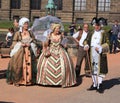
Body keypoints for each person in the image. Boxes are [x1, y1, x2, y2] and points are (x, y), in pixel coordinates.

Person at [37, 23, 76, 87]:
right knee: (45, 65)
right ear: (54, 29)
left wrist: (64, 42)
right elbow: (46, 44)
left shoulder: (61, 35)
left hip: (60, 50)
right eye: (57, 29)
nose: (58, 30)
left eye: (59, 29)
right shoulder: (49, 35)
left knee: (65, 64)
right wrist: (45, 47)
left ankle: (63, 81)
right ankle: (46, 81)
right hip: (51, 51)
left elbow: (65, 44)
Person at [6, 17, 38, 86]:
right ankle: (18, 81)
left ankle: (29, 80)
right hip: (20, 51)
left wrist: (31, 43)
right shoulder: (18, 33)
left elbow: (34, 40)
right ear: (22, 25)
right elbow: (14, 42)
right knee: (18, 66)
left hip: (29, 51)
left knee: (30, 65)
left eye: (27, 24)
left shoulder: (30, 32)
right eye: (25, 24)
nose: (26, 25)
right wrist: (21, 44)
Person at [84, 22, 109, 93]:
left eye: (98, 25)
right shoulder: (90, 33)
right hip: (91, 52)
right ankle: (94, 84)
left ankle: (100, 84)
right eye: (96, 25)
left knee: (100, 68)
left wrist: (101, 48)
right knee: (93, 68)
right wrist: (86, 46)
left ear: (100, 26)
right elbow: (86, 41)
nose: (97, 27)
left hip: (100, 53)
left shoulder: (104, 33)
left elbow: (108, 43)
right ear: (94, 26)